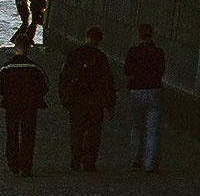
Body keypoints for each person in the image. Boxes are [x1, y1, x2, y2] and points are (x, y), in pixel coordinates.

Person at [59, 26, 116, 171]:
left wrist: (64, 98)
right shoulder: (101, 57)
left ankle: (75, 160)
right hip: (96, 101)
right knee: (94, 132)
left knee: (76, 131)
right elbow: (108, 81)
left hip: (77, 100)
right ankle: (89, 162)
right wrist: (110, 104)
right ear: (99, 40)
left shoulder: (73, 55)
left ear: (86, 37)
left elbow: (64, 77)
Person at [0, 35, 49, 175]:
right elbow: (45, 86)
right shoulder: (35, 68)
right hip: (30, 104)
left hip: (11, 104)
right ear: (28, 48)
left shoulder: (7, 67)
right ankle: (26, 166)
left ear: (15, 48)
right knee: (28, 134)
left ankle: (13, 163)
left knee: (12, 133)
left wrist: (7, 95)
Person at [124, 23, 166, 172]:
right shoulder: (159, 52)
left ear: (139, 35)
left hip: (137, 91)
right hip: (154, 91)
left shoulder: (133, 52)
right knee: (153, 130)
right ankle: (150, 164)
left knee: (137, 126)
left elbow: (127, 71)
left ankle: (135, 159)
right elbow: (161, 71)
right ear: (152, 35)